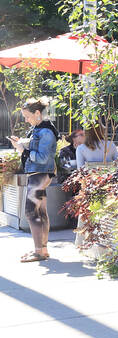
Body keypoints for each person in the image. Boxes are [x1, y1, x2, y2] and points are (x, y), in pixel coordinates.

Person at [8, 98, 58, 262]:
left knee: (31, 211)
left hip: (40, 174)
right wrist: (22, 144)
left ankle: (39, 252)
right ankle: (42, 250)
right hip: (39, 174)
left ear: (37, 113)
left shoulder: (45, 131)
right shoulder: (39, 129)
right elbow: (36, 149)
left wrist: (23, 149)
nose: (26, 119)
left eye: (27, 116)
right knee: (40, 211)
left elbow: (42, 158)